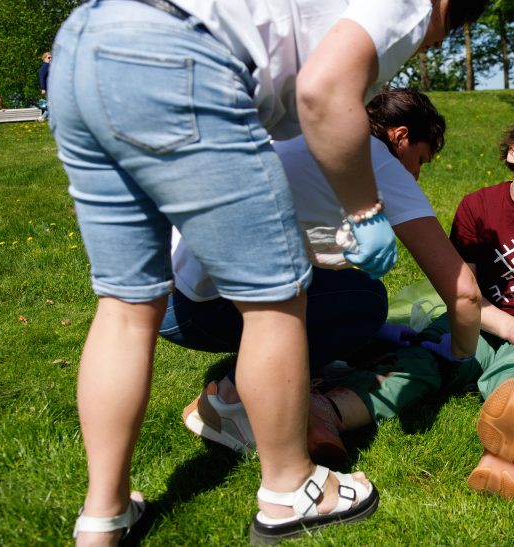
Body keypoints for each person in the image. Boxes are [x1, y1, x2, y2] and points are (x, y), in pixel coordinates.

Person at [47, 0, 493, 544]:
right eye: (443, 27)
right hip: (180, 55)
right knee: (276, 298)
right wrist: (365, 213)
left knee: (127, 305)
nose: (424, 44)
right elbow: (323, 91)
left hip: (81, 48)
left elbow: (292, 109)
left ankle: (104, 514)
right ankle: (292, 489)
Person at [160, 88, 481, 466]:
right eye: (421, 159)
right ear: (401, 136)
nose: (417, 173)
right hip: (202, 306)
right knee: (368, 301)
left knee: (352, 292)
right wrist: (461, 357)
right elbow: (464, 292)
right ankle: (230, 400)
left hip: (165, 298)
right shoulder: (379, 158)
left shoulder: (305, 129)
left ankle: (295, 374)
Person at [310, 109, 514, 500]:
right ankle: (329, 414)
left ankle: (509, 454)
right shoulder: (477, 207)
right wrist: (503, 325)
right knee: (424, 357)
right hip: (482, 318)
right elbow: (462, 289)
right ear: (510, 152)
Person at [38, 51, 51, 121]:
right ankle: (43, 117)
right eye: (49, 57)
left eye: (51, 57)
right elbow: (41, 77)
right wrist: (43, 88)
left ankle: (43, 117)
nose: (51, 59)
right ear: (44, 58)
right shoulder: (45, 66)